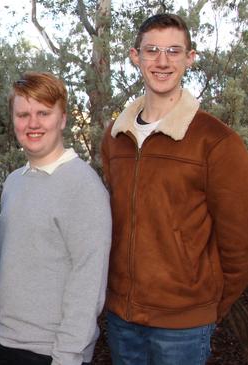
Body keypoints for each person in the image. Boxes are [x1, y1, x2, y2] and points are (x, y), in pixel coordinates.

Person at [100, 13, 248, 365]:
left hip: (184, 327)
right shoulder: (114, 138)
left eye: (173, 51)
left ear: (190, 58)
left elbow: (239, 242)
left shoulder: (216, 141)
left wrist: (206, 306)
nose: (162, 61)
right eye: (152, 50)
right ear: (135, 56)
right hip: (122, 318)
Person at [0, 72, 112, 365]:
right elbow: (2, 262)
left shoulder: (83, 186)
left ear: (62, 119)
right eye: (23, 114)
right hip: (4, 342)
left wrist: (68, 356)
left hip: (52, 352)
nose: (33, 123)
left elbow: (88, 286)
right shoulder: (14, 182)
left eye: (44, 113)